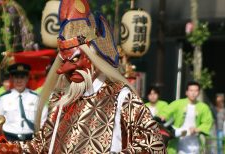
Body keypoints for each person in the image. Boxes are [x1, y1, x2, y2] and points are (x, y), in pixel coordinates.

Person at [14, 0, 165, 153]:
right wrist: (0, 149)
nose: (64, 69)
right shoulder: (61, 99)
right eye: (63, 61)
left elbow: (154, 145)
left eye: (74, 59)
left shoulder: (121, 97)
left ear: (93, 57)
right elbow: (39, 148)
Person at [0, 63, 47, 142]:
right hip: (9, 141)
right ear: (12, 79)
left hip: (30, 141)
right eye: (16, 77)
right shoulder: (3, 98)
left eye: (22, 77)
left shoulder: (36, 98)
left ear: (27, 78)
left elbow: (43, 120)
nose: (19, 81)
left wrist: (42, 140)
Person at [160, 81, 213, 154]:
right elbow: (167, 110)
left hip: (194, 142)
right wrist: (163, 116)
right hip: (179, 139)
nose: (193, 93)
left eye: (196, 90)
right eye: (191, 90)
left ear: (199, 92)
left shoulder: (203, 107)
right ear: (186, 92)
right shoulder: (178, 103)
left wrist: (197, 129)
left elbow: (207, 122)